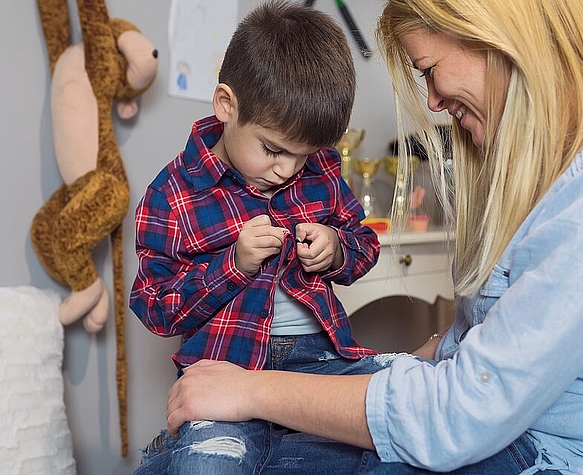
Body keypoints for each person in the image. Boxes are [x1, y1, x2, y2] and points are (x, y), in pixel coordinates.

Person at [157, 0, 583, 473]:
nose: (431, 101)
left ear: (493, 31)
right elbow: (487, 341)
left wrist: (253, 390)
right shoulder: (559, 165)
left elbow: (462, 414)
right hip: (511, 431)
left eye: (428, 70)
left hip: (558, 457)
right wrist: (405, 366)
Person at [129, 2, 395, 474]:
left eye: (305, 154)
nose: (287, 169)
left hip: (321, 361)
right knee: (208, 465)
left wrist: (336, 249)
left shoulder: (321, 171)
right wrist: (233, 264)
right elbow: (155, 309)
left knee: (409, 415)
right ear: (227, 105)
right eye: (273, 149)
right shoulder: (172, 194)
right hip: (225, 369)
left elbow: (364, 245)